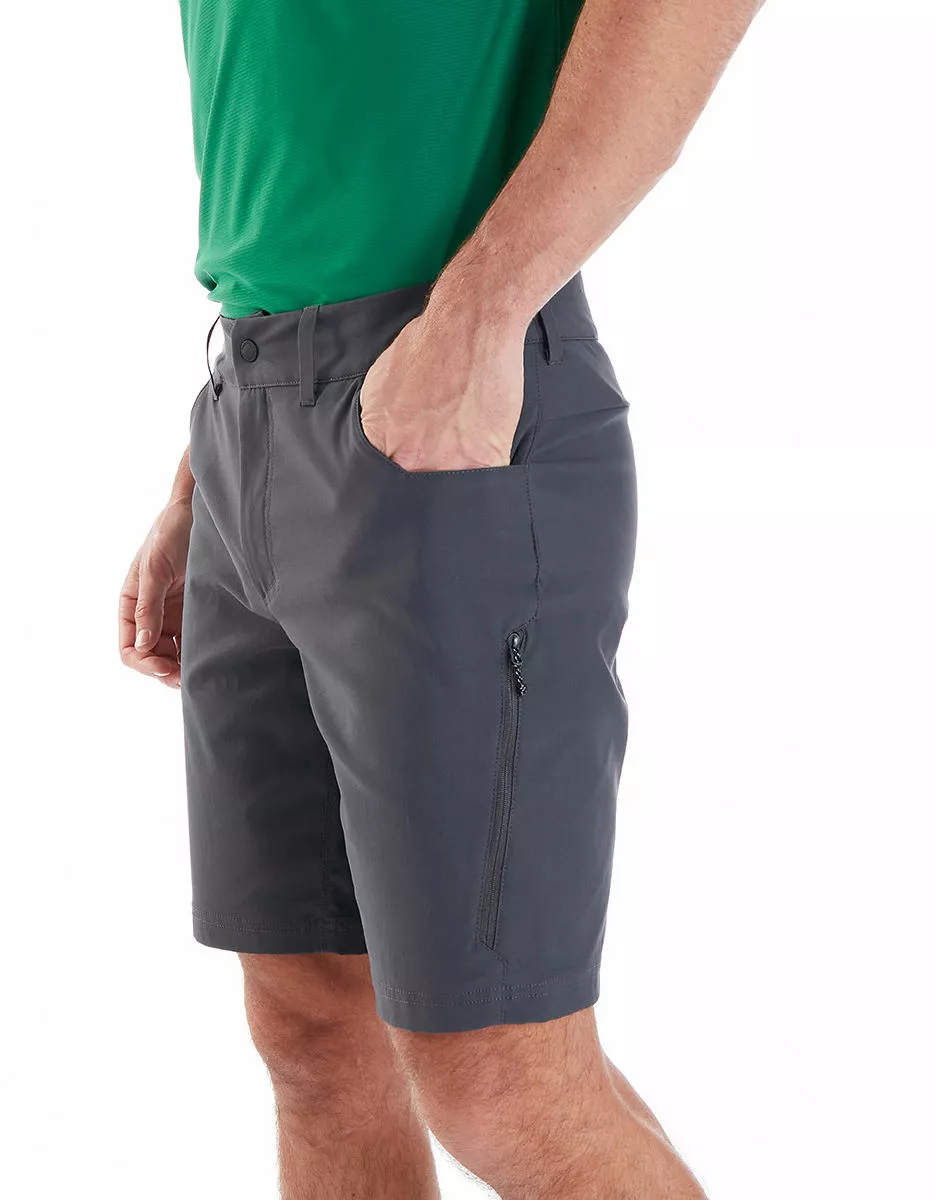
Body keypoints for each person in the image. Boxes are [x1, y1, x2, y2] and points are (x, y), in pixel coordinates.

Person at [120, 1, 760, 1194]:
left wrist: (482, 312)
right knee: (312, 1025)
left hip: (450, 403)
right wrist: (208, 471)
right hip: (251, 405)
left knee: (499, 1074)